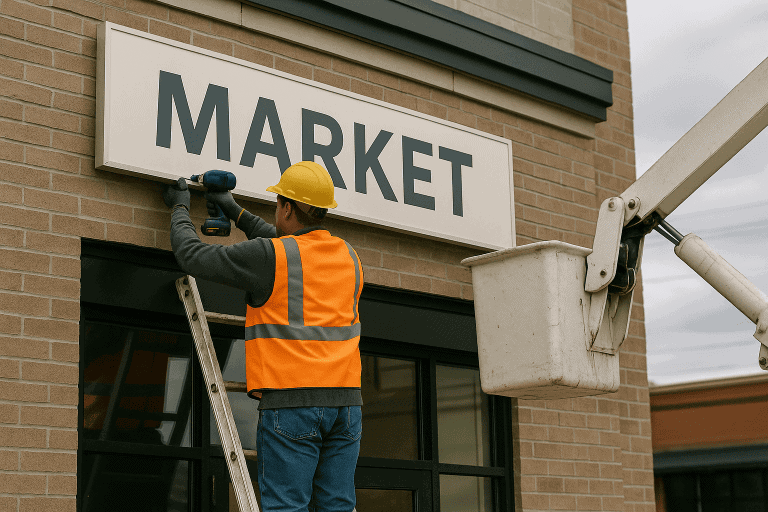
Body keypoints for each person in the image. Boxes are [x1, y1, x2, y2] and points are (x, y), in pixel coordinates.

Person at [162, 161, 363, 512]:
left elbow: (191, 255)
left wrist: (179, 206)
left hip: (292, 402)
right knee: (338, 507)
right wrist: (234, 211)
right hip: (346, 406)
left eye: (278, 204)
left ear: (286, 207)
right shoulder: (349, 257)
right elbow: (283, 246)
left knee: (286, 507)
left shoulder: (272, 256)